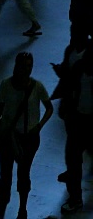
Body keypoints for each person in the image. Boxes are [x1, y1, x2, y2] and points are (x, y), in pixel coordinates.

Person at [0, 52, 53, 219]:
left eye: (29, 66)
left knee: (22, 174)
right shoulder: (7, 85)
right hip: (11, 137)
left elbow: (49, 108)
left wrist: (38, 126)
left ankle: (20, 209)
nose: (27, 70)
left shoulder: (36, 87)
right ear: (16, 66)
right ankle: (12, 211)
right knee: (7, 176)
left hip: (28, 138)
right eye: (24, 66)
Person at [61, 48, 93, 214]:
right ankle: (75, 198)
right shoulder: (80, 67)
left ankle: (76, 198)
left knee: (74, 160)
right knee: (72, 159)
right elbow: (69, 87)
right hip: (79, 120)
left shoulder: (82, 66)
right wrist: (67, 108)